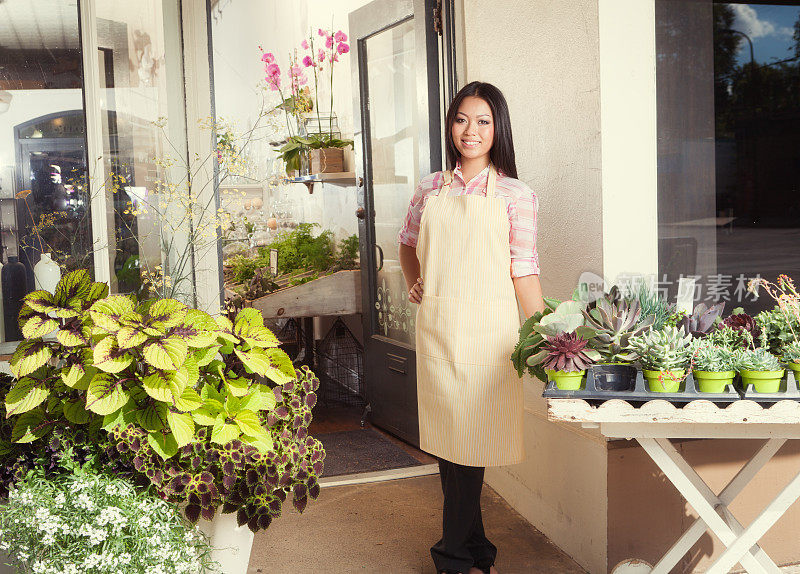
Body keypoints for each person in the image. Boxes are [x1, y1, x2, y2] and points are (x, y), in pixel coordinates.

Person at [398, 81, 545, 574]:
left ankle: (453, 556)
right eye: (462, 119)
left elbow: (522, 269)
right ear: (450, 125)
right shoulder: (430, 188)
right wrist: (416, 282)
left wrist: (546, 334)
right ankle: (472, 551)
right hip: (440, 330)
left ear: (498, 127)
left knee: (471, 443)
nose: (471, 130)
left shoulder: (515, 196)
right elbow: (406, 242)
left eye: (483, 121)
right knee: (452, 442)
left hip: (489, 335)